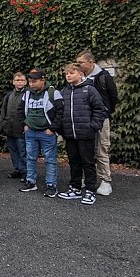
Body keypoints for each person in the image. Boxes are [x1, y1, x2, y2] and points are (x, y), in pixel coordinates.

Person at [56, 63, 108, 205]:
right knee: (74, 162)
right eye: (66, 74)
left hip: (86, 134)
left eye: (71, 73)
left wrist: (93, 126)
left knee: (88, 162)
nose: (68, 76)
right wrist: (61, 129)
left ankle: (90, 190)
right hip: (70, 134)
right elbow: (59, 111)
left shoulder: (89, 90)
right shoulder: (65, 92)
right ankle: (75, 188)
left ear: (80, 74)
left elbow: (99, 109)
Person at [77, 50, 118, 196]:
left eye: (81, 62)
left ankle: (105, 181)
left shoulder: (103, 77)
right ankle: (86, 178)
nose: (78, 65)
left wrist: (105, 113)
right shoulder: (79, 77)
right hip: (84, 119)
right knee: (85, 149)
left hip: (101, 119)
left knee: (101, 149)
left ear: (90, 62)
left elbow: (113, 96)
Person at [17, 68, 63, 196]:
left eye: (34, 81)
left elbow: (60, 112)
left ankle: (51, 185)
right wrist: (25, 124)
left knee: (50, 159)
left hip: (47, 133)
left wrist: (52, 128)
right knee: (30, 158)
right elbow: (20, 110)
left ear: (43, 80)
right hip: (31, 132)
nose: (31, 84)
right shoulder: (27, 94)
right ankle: (31, 182)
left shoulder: (53, 93)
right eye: (30, 81)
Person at [0, 71, 29, 182]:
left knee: (23, 151)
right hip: (9, 128)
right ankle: (17, 169)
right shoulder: (9, 95)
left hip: (21, 129)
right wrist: (2, 124)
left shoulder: (28, 94)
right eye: (17, 80)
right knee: (13, 150)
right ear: (13, 82)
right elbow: (4, 110)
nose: (19, 82)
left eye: (22, 80)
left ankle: (25, 171)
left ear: (26, 82)